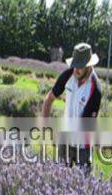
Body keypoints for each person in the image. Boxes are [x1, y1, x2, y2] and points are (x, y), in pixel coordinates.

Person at [42, 43, 102, 171]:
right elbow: (49, 100)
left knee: (83, 185)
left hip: (83, 145)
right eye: (74, 65)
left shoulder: (95, 89)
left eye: (80, 66)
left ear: (89, 66)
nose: (76, 69)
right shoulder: (68, 75)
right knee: (59, 181)